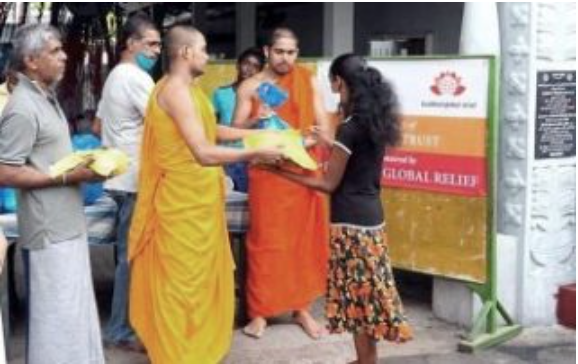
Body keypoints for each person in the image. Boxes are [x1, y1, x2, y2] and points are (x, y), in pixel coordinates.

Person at [128, 25, 284, 363]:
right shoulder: (175, 92)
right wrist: (253, 154)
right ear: (185, 53)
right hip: (180, 207)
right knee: (182, 288)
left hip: (198, 203)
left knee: (198, 287)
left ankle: (195, 352)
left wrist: (256, 136)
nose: (207, 56)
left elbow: (208, 131)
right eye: (203, 49)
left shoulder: (189, 90)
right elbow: (202, 151)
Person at [266, 54, 412, 364]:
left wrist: (278, 172)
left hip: (351, 226)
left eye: (332, 80)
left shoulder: (349, 127)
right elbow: (358, 163)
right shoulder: (370, 120)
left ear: (339, 82)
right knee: (368, 300)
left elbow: (328, 184)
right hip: (372, 219)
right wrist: (330, 142)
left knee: (360, 302)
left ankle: (365, 361)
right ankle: (364, 360)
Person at [0, 24, 106, 364]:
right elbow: (4, 170)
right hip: (48, 231)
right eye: (55, 51)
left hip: (67, 225)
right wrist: (66, 176)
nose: (64, 57)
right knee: (56, 325)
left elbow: (48, 159)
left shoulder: (45, 97)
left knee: (74, 321)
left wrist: (84, 165)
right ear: (31, 60)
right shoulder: (21, 107)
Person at [232, 27, 331, 339]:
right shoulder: (251, 86)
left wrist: (317, 135)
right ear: (266, 51)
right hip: (267, 172)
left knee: (301, 242)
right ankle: (260, 312)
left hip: (301, 169)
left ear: (297, 54)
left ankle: (301, 309)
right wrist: (255, 118)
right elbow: (235, 130)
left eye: (291, 52)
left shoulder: (308, 80)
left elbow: (323, 124)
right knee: (265, 241)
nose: (285, 58)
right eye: (279, 52)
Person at [95, 13, 161, 351]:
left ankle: (124, 325)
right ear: (131, 43)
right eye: (151, 43)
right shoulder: (135, 77)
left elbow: (96, 127)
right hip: (134, 181)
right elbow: (164, 123)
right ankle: (121, 329)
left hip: (119, 179)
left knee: (129, 256)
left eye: (159, 44)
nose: (157, 50)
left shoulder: (114, 77)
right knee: (132, 259)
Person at [212, 47, 265, 192]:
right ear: (238, 65)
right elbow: (211, 128)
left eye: (256, 67)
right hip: (226, 157)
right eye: (246, 63)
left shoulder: (260, 97)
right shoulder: (220, 93)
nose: (250, 69)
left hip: (250, 157)